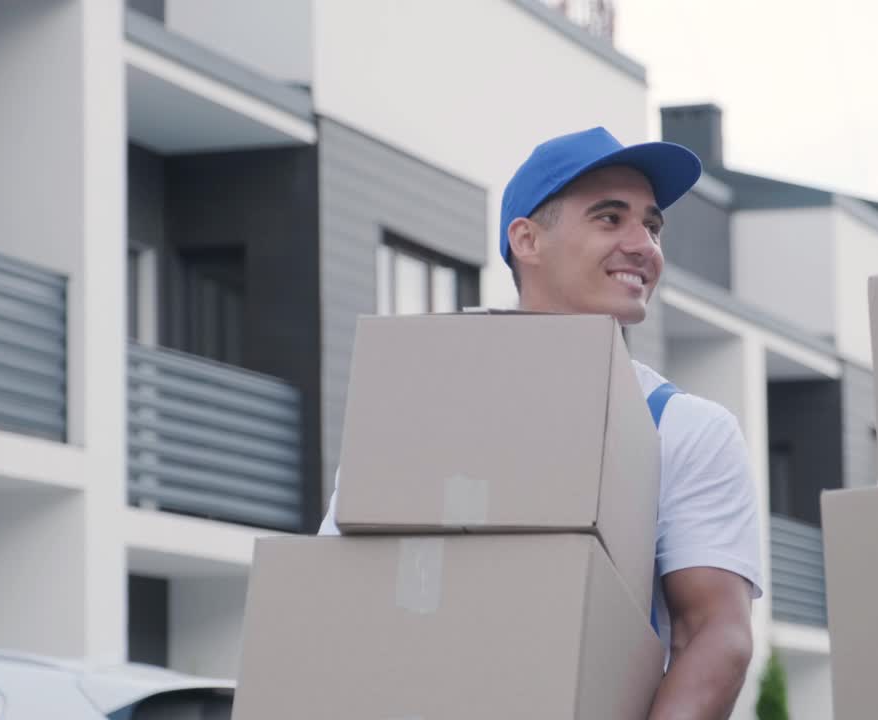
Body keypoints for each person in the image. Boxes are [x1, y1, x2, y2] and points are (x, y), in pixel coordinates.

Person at [319, 127, 764, 720]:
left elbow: (715, 637)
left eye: (652, 227)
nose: (643, 246)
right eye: (610, 219)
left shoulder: (682, 430)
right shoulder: (416, 413)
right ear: (527, 239)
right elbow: (338, 596)